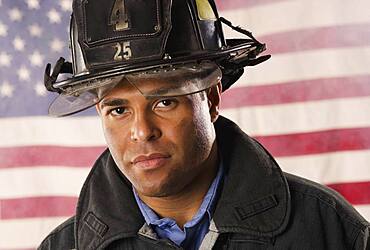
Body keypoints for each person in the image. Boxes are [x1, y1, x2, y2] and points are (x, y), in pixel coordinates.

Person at [39, 0, 370, 249]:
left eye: (164, 101)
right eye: (118, 110)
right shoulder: (62, 246)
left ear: (212, 99)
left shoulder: (326, 230)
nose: (142, 131)